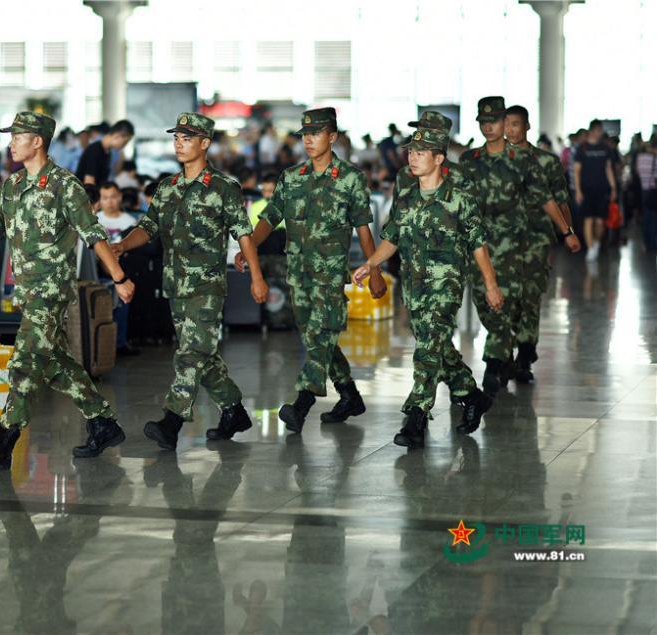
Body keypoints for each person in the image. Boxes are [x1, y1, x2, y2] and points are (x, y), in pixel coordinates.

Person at [0, 111, 134, 464]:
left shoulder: (64, 185)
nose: (11, 144)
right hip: (27, 291)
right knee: (55, 362)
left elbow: (93, 235)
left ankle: (5, 440)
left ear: (37, 141)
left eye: (17, 137)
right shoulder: (13, 185)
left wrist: (119, 278)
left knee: (25, 360)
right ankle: (102, 421)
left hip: (51, 289)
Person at [114, 112, 268, 449]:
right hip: (176, 285)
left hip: (207, 287)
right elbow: (148, 227)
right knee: (203, 355)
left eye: (187, 139)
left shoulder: (224, 188)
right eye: (176, 138)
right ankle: (234, 411)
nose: (179, 144)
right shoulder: (167, 187)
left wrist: (257, 277)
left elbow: (243, 234)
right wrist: (123, 245)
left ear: (205, 143)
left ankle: (172, 421)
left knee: (190, 353)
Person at [237, 108, 385, 434]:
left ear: (332, 137)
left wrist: (374, 269)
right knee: (319, 338)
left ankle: (301, 404)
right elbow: (269, 218)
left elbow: (363, 227)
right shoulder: (292, 177)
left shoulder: (350, 178)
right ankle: (349, 396)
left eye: (315, 133)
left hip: (330, 274)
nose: (308, 139)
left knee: (320, 337)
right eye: (305, 134)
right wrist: (250, 249)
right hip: (298, 273)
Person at [353, 126, 500, 448]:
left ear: (439, 159)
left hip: (446, 284)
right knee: (435, 346)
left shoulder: (459, 199)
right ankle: (471, 395)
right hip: (414, 285)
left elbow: (478, 245)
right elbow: (391, 238)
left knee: (427, 348)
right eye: (410, 152)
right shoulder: (406, 199)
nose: (413, 158)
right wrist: (371, 264)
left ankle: (416, 416)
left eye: (420, 153)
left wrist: (491, 285)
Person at [459, 96, 561, 395]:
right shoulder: (469, 160)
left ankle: (496, 363)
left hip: (515, 246)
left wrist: (566, 231)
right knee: (485, 303)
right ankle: (504, 354)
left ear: (504, 122)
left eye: (494, 121)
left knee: (506, 305)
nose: (488, 127)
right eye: (483, 122)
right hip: (478, 245)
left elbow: (546, 198)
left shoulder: (523, 160)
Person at [503, 105, 582, 382]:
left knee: (530, 296)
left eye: (515, 124)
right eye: (506, 124)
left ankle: (525, 355)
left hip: (536, 239)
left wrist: (568, 232)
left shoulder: (546, 161)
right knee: (505, 299)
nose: (510, 130)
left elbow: (560, 200)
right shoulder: (496, 160)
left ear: (527, 126)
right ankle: (504, 353)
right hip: (501, 242)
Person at [96, 182, 138, 357]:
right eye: (105, 198)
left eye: (113, 197)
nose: (110, 201)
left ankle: (120, 342)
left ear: (119, 197)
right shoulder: (95, 219)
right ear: (100, 200)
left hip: (122, 268)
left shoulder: (130, 222)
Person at [574, 119, 618, 261]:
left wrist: (613, 187)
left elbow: (608, 168)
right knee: (588, 220)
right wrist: (578, 191)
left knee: (600, 222)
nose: (600, 133)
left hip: (602, 190)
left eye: (601, 130)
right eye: (598, 130)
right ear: (592, 131)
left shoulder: (605, 148)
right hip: (586, 190)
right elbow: (577, 170)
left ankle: (597, 243)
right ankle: (590, 248)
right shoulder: (582, 148)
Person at [75, 120, 134, 186]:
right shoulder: (95, 150)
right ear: (117, 136)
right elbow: (89, 182)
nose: (124, 146)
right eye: (125, 142)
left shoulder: (107, 152)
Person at [636, 136, 657, 253]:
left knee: (646, 217)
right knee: (653, 218)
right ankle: (652, 244)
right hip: (654, 190)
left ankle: (646, 242)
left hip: (644, 190)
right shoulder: (655, 159)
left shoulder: (640, 157)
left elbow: (637, 172)